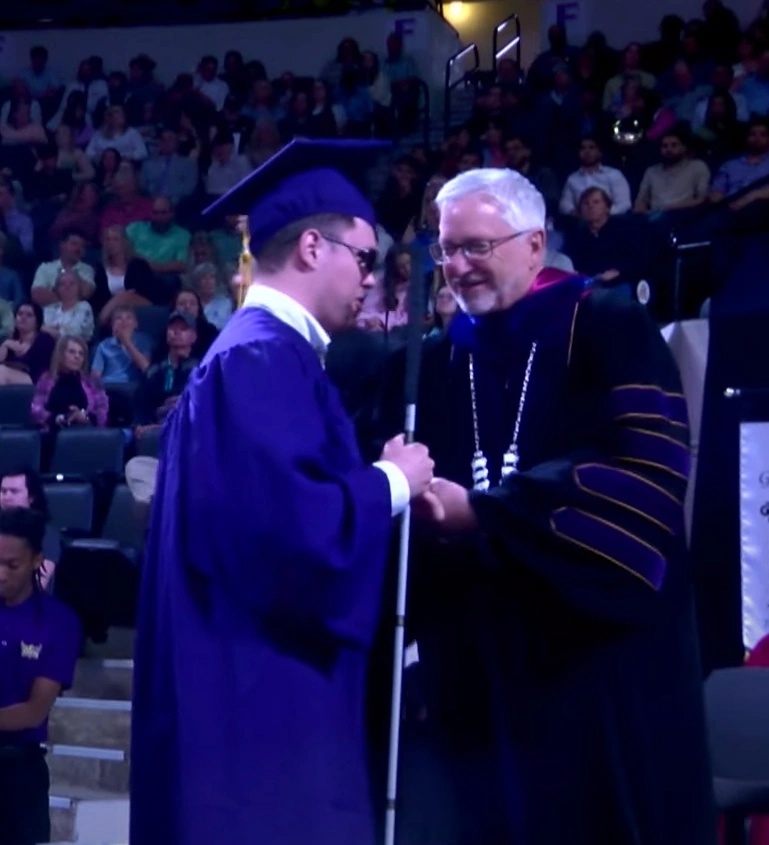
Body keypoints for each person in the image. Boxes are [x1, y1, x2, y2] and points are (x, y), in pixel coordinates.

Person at [377, 167, 716, 845]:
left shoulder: (606, 324)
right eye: (447, 249)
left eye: (478, 246)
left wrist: (486, 514)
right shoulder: (439, 360)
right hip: (481, 663)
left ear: (534, 245)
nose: (458, 267)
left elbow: (646, 472)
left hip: (595, 661)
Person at [130, 138, 436, 845]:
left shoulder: (249, 354)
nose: (372, 280)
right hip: (257, 697)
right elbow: (291, 533)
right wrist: (392, 481)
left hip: (231, 675)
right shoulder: (262, 359)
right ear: (309, 248)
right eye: (362, 258)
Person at [0, 508, 82, 845]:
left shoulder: (58, 623)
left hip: (17, 772)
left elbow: (34, 710)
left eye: (11, 565)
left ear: (36, 560)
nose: (0, 574)